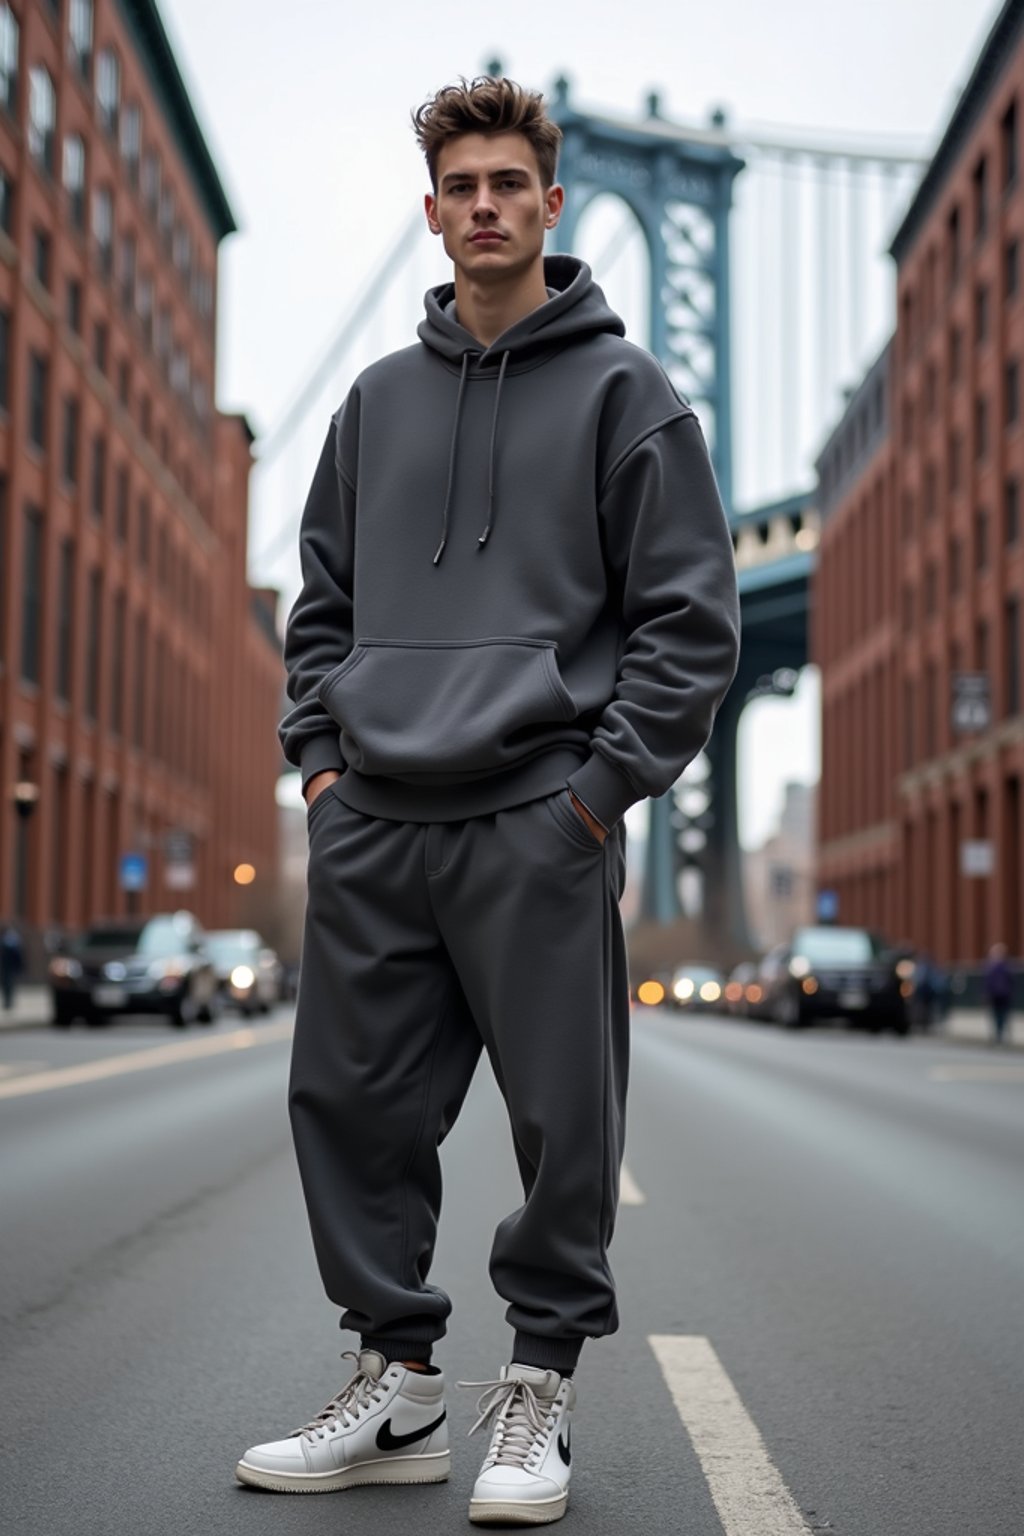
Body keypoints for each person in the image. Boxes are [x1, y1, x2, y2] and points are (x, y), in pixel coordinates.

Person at [237, 76, 740, 1524]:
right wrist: (323, 775)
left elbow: (690, 627)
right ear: (433, 211)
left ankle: (536, 1394)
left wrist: (593, 795)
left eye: (509, 182)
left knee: (561, 1121)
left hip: (538, 810)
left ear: (550, 204)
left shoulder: (633, 397)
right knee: (347, 1103)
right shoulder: (376, 403)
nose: (484, 206)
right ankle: (396, 1386)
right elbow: (319, 606)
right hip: (378, 816)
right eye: (460, 186)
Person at [983, 941, 1013, 1044]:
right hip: (999, 994)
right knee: (998, 1015)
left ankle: (999, 1035)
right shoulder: (1003, 966)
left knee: (1000, 1015)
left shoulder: (996, 967)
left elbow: (989, 982)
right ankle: (999, 1034)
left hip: (1000, 995)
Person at [0, 923, 23, 1011]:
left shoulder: (10, 941)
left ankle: (9, 1002)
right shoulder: (8, 940)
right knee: (6, 985)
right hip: (7, 967)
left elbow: (17, 955)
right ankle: (8, 1002)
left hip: (9, 967)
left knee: (9, 985)